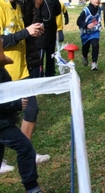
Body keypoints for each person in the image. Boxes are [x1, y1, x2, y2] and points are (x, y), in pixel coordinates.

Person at [0, 0, 49, 172]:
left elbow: (20, 35)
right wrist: (25, 33)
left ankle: (27, 150)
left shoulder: (17, 7)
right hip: (5, 73)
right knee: (6, 119)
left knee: (31, 109)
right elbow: (3, 40)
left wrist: (34, 31)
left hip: (24, 70)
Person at [0, 39, 43, 193]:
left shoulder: (2, 69)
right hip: (2, 124)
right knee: (25, 148)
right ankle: (32, 188)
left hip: (5, 121)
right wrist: (17, 105)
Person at [31, 0, 62, 77]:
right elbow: (56, 11)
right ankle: (49, 74)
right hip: (47, 31)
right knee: (49, 54)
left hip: (33, 30)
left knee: (38, 55)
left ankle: (38, 75)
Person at [77, 0, 102, 71]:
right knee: (85, 48)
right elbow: (78, 21)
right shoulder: (85, 11)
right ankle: (84, 56)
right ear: (90, 0)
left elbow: (98, 19)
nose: (97, 0)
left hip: (95, 32)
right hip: (85, 33)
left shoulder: (99, 9)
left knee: (95, 45)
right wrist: (86, 25)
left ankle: (94, 63)